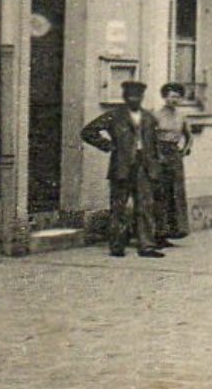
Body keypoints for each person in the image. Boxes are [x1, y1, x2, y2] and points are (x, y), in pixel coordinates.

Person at [80, 80, 164, 258]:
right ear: (125, 97)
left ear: (142, 97)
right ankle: (117, 245)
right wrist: (109, 146)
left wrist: (156, 166)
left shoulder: (149, 118)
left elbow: (156, 144)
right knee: (119, 206)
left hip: (145, 167)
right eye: (130, 96)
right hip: (122, 166)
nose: (134, 99)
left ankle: (147, 246)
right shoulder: (114, 116)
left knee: (145, 206)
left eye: (137, 96)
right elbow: (88, 132)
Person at [154, 82, 194, 242]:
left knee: (175, 193)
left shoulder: (182, 116)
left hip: (174, 155)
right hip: (159, 154)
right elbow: (149, 136)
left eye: (177, 97)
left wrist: (185, 149)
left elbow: (189, 136)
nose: (174, 100)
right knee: (161, 193)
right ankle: (158, 233)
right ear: (165, 97)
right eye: (171, 97)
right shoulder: (156, 115)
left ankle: (174, 231)